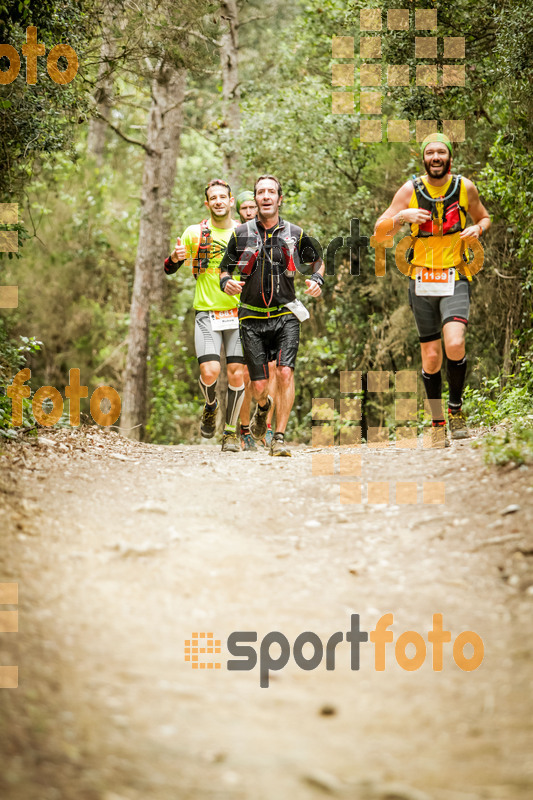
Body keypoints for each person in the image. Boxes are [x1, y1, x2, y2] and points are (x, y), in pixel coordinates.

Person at [374, 133, 490, 445]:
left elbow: (484, 216)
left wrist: (478, 228)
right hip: (421, 279)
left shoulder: (465, 187)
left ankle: (455, 410)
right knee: (431, 355)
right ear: (423, 159)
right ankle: (437, 421)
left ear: (449, 157)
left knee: (454, 343)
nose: (435, 157)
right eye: (430, 152)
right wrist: (402, 216)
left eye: (441, 152)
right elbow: (380, 228)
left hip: (455, 276)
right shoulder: (410, 189)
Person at [219, 174, 324, 457]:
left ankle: (278, 437)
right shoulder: (240, 234)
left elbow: (318, 260)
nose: (265, 196)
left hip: (285, 314)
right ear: (255, 199)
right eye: (260, 192)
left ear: (280, 198)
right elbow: (224, 268)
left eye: (270, 192)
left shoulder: (295, 233)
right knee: (259, 385)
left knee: (286, 372)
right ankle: (262, 408)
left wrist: (317, 279)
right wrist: (225, 281)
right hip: (251, 317)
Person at [164, 179, 245, 452]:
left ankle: (231, 433)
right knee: (209, 371)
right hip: (207, 312)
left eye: (224, 196)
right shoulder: (195, 233)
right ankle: (211, 405)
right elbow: (169, 268)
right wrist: (175, 259)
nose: (219, 201)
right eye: (214, 197)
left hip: (239, 314)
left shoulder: (246, 233)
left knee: (236, 374)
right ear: (207, 203)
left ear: (231, 201)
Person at [234, 189, 277, 451]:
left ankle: (266, 428)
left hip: (266, 312)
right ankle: (243, 430)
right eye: (244, 208)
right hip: (238, 310)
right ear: (238, 211)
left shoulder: (273, 231)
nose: (250, 212)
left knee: (270, 372)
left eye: (253, 207)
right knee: (243, 375)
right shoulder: (237, 235)